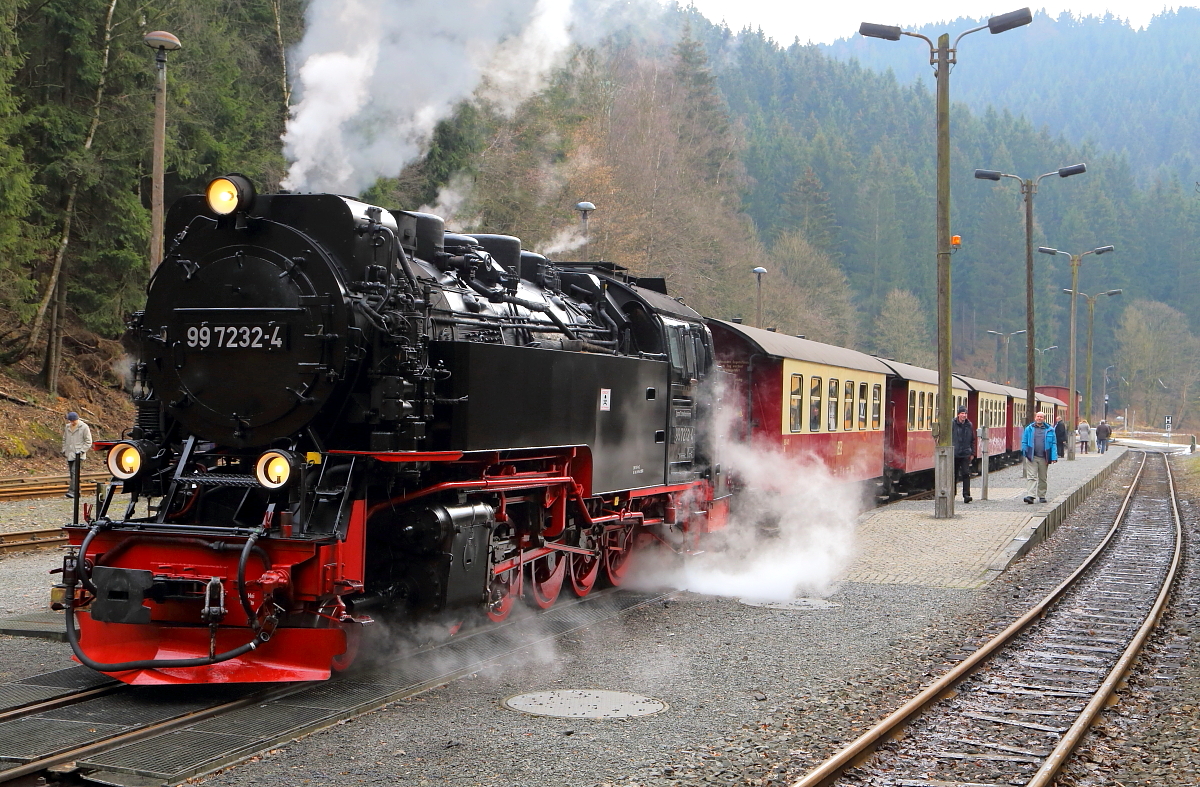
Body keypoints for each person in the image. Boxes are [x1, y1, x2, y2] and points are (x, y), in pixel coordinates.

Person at [1022, 411, 1058, 504]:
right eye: (1038, 416)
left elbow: (1053, 444)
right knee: (1031, 477)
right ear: (1035, 418)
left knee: (1042, 478)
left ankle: (1042, 496)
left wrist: (1053, 457)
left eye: (1041, 417)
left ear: (1044, 419)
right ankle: (1031, 495)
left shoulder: (1050, 430)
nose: (1039, 418)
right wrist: (1025, 451)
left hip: (1044, 457)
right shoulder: (1029, 429)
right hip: (1032, 456)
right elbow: (1024, 441)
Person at [62, 411, 93, 499]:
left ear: (77, 419)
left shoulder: (84, 427)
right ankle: (77, 492)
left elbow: (88, 441)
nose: (72, 422)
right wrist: (64, 450)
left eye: (73, 421)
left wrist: (82, 451)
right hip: (69, 453)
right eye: (70, 421)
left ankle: (72, 492)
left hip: (79, 454)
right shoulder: (67, 427)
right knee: (73, 474)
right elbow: (64, 439)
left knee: (74, 472)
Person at [952, 406, 976, 503]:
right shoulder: (952, 424)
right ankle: (952, 493)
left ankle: (966, 495)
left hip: (965, 453)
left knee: (966, 473)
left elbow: (972, 439)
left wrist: (972, 452)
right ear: (958, 414)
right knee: (953, 474)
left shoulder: (969, 425)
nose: (964, 415)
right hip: (955, 453)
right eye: (962, 413)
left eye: (965, 413)